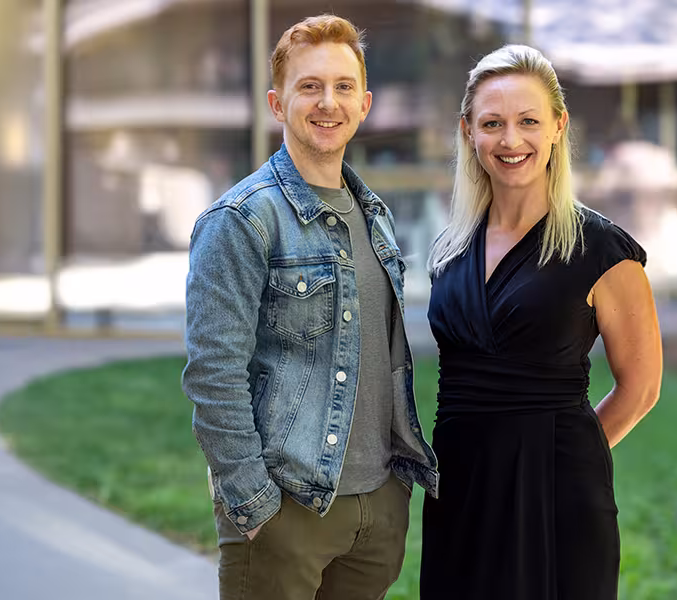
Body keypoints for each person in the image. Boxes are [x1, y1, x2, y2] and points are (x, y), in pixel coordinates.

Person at [181, 15, 438, 600]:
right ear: (278, 103)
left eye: (344, 86)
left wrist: (392, 494)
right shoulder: (241, 220)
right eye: (310, 86)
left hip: (376, 510)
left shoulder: (375, 216)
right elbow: (213, 374)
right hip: (288, 511)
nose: (328, 102)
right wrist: (256, 506)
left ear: (365, 104)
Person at [420, 45, 663, 600]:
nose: (511, 140)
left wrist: (565, 459)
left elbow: (642, 388)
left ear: (558, 126)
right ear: (468, 132)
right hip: (459, 489)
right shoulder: (450, 250)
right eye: (493, 123)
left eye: (529, 121)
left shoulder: (601, 249)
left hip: (558, 495)